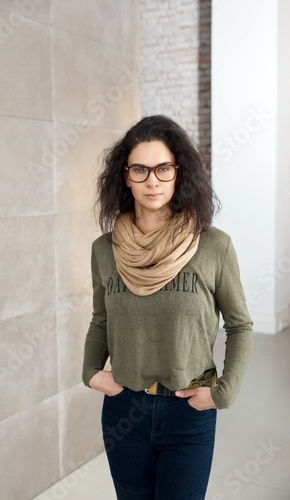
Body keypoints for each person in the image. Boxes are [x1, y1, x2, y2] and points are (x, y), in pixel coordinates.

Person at [82, 115, 253, 500]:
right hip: (124, 413)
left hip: (188, 412)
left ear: (179, 173)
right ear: (125, 176)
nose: (152, 180)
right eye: (140, 169)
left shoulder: (213, 246)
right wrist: (90, 371)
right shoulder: (104, 249)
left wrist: (224, 392)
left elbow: (240, 326)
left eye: (163, 168)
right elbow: (101, 319)